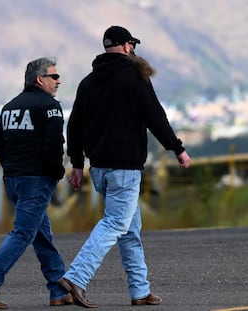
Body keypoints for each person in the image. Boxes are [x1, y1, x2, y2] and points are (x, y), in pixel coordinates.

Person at [58, 25, 191, 308]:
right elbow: (156, 116)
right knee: (116, 223)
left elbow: (75, 127)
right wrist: (177, 148)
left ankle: (140, 290)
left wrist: (78, 165)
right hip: (125, 168)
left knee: (130, 229)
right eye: (132, 44)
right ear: (126, 46)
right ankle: (76, 277)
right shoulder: (134, 77)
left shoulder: (88, 82)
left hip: (100, 170)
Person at [0, 57, 72, 309]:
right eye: (54, 76)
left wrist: (11, 165)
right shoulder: (50, 106)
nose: (58, 81)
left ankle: (58, 290)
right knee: (23, 233)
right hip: (36, 179)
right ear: (40, 79)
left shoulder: (10, 107)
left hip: (13, 180)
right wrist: (56, 172)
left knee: (41, 234)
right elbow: (54, 143)